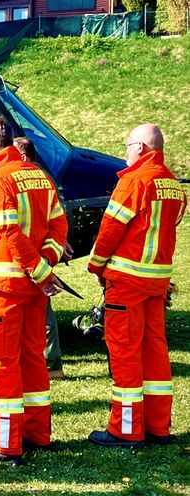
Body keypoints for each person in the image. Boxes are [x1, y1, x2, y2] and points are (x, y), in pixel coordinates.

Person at [0, 117, 68, 465]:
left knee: (3, 363)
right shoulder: (38, 175)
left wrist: (38, 270)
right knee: (33, 358)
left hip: (6, 289)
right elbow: (59, 224)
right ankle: (38, 433)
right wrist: (45, 265)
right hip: (33, 289)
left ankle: (4, 443)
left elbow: (9, 234)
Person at [87, 123, 186, 448]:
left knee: (125, 352)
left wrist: (96, 265)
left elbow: (111, 229)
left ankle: (125, 430)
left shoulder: (134, 181)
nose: (126, 152)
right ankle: (158, 426)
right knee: (155, 350)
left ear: (141, 148)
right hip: (157, 281)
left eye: (128, 145)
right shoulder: (173, 184)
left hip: (127, 281)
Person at [14, 137, 68, 380]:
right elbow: (56, 220)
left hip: (27, 257)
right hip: (42, 254)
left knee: (40, 312)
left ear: (24, 157)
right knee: (43, 311)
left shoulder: (18, 179)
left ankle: (49, 365)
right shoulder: (45, 180)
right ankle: (52, 365)